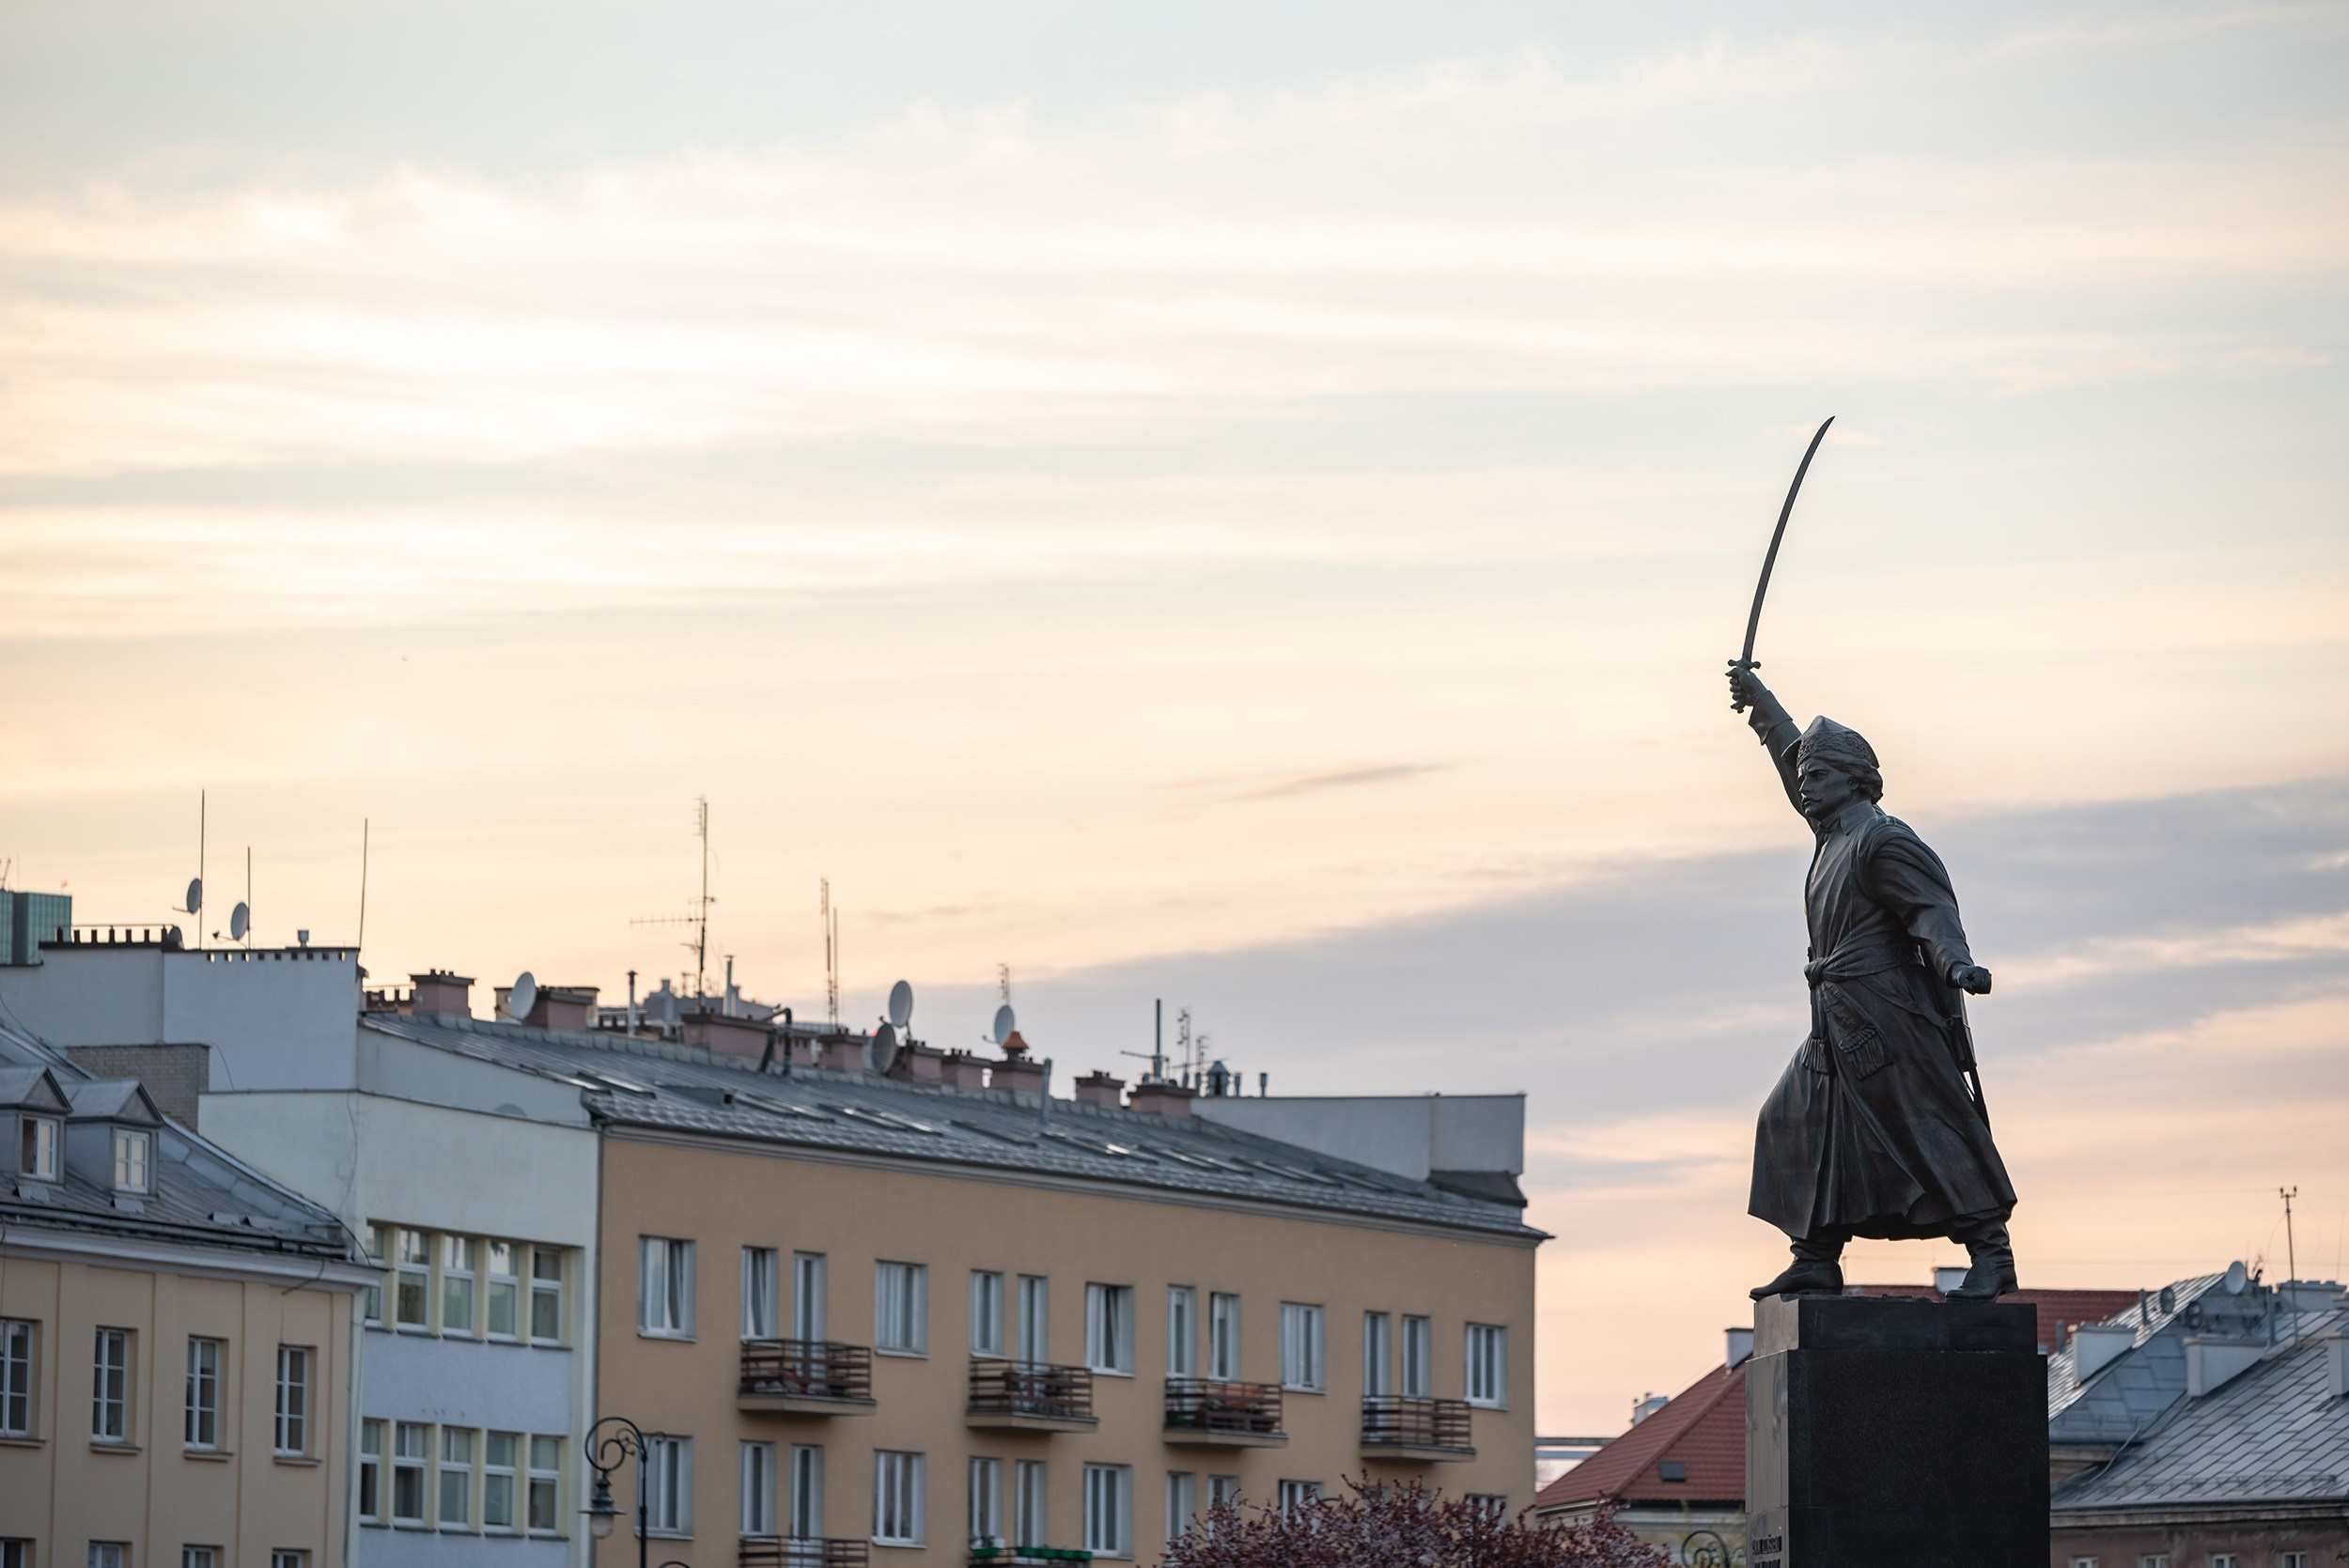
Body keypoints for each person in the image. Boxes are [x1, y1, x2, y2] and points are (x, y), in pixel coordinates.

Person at [1727, 663, 2017, 1300]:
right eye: (1803, 777)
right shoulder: (1831, 834)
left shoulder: (1881, 840)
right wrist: (1762, 703)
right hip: (1836, 1016)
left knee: (1928, 1123)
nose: (1805, 785)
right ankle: (1816, 1254)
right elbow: (1789, 754)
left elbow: (1931, 910)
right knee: (1793, 1117)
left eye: (1819, 776)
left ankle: (1992, 1254)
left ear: (1855, 780)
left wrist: (1956, 963)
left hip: (1889, 1014)